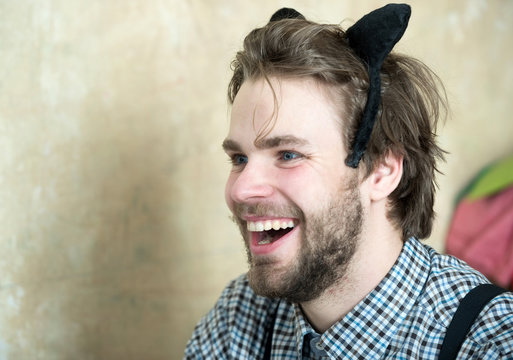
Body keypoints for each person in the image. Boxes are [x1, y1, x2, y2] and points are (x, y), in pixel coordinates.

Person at [185, 4, 513, 359]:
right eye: (239, 159)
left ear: (382, 170)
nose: (240, 189)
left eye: (288, 155)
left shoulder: (490, 343)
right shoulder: (237, 321)